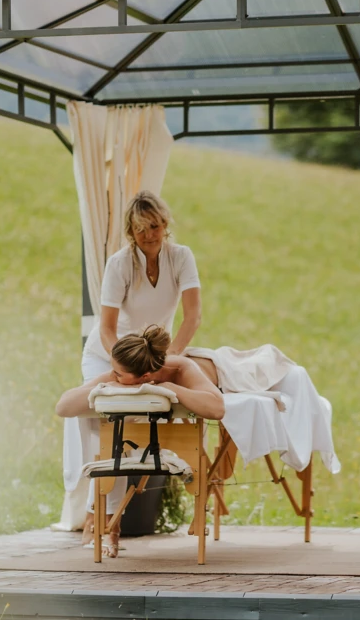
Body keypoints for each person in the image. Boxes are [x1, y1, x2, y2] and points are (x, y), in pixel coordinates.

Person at [59, 191, 202, 541]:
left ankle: (110, 513)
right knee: (105, 419)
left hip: (153, 357)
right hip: (108, 354)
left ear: (164, 224)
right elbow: (107, 328)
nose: (149, 235)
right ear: (130, 232)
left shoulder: (181, 257)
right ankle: (99, 510)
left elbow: (192, 316)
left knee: (132, 424)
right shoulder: (120, 264)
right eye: (140, 230)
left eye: (154, 226)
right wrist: (123, 366)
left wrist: (169, 360)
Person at [56, 325, 224, 557]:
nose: (113, 376)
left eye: (118, 375)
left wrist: (170, 388)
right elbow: (63, 406)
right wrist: (105, 385)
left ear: (144, 377)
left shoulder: (181, 368)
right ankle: (109, 528)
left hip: (227, 369)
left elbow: (216, 408)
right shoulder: (127, 370)